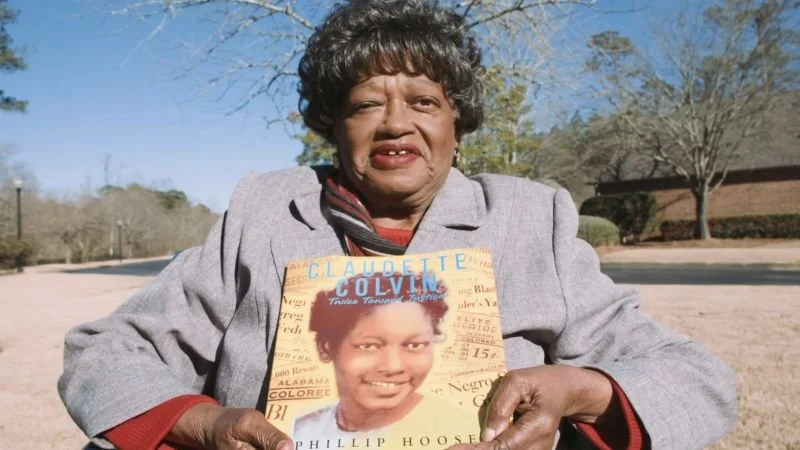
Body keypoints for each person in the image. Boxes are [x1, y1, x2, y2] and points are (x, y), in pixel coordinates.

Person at [58, 1, 737, 449]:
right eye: (363, 104)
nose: (394, 123)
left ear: (456, 123)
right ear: (333, 125)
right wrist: (206, 423)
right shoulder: (263, 214)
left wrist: (583, 391)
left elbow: (695, 377)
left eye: (423, 100)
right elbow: (105, 353)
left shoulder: (535, 219)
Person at [292, 272, 474, 444]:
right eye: (369, 346)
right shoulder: (298, 431)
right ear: (326, 348)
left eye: (414, 345)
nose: (393, 366)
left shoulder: (462, 429)